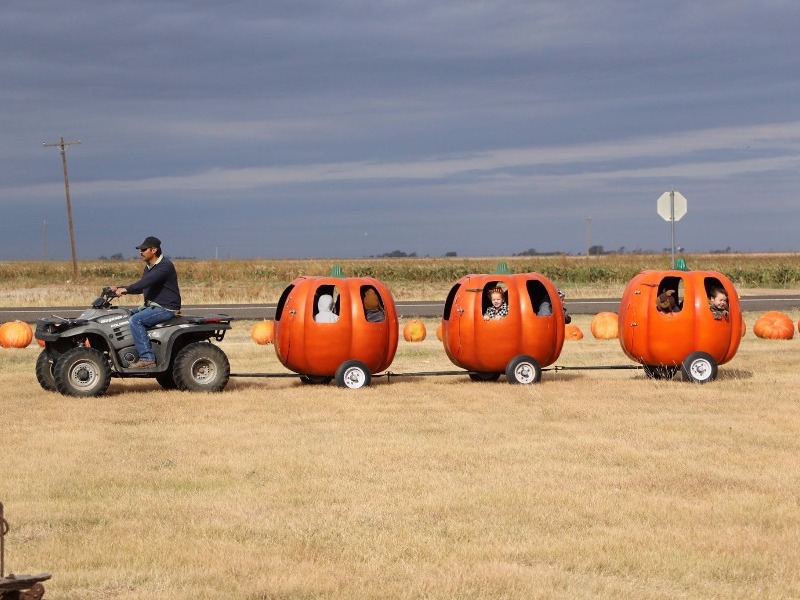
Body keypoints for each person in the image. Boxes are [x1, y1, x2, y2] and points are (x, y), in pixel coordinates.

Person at [111, 236, 181, 368]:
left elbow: (145, 283)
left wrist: (125, 290)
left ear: (154, 250)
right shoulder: (149, 267)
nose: (140, 252)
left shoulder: (164, 266)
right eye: (140, 249)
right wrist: (118, 288)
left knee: (136, 320)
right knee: (124, 315)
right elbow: (143, 287)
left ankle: (147, 358)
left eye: (144, 249)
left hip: (166, 307)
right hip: (153, 306)